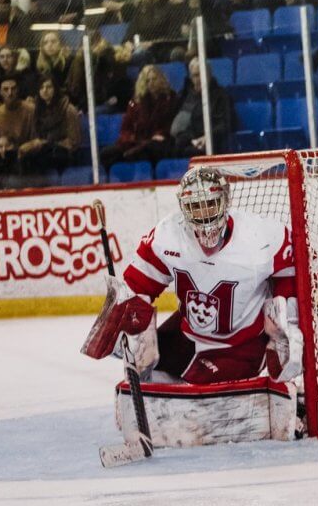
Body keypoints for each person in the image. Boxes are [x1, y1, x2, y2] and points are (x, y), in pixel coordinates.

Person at [101, 166, 300, 385]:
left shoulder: (261, 236)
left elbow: (293, 272)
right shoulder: (167, 235)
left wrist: (285, 324)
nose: (204, 216)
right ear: (183, 208)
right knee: (145, 378)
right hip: (188, 335)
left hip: (241, 345)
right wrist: (126, 323)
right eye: (195, 207)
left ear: (225, 200)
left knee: (191, 393)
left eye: (210, 204)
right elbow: (138, 284)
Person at [101, 64, 178, 168]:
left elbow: (170, 123)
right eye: (147, 81)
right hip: (136, 141)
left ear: (161, 79)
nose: (151, 83)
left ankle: (132, 157)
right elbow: (126, 127)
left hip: (157, 142)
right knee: (106, 153)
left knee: (150, 147)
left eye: (154, 79)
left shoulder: (170, 99)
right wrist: (129, 138)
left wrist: (162, 134)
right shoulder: (136, 102)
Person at [170, 58, 236, 156]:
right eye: (194, 76)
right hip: (186, 140)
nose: (198, 79)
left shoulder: (221, 96)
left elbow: (226, 123)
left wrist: (208, 137)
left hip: (210, 141)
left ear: (209, 74)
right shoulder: (184, 96)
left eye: (200, 74)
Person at [18, 77, 82, 176]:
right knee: (21, 155)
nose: (45, 90)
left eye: (49, 87)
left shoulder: (68, 110)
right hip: (43, 150)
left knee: (35, 158)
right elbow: (35, 137)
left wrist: (48, 143)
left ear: (56, 89)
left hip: (63, 152)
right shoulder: (37, 110)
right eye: (42, 88)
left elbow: (74, 141)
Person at [123, 0, 191, 65]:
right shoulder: (141, 9)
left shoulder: (172, 5)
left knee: (176, 53)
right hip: (144, 49)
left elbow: (174, 34)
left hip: (165, 49)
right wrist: (128, 43)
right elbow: (130, 33)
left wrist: (152, 43)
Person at [0, 75, 35, 174]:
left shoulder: (31, 109)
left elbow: (38, 138)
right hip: (5, 161)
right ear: (0, 92)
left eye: (13, 89)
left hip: (29, 159)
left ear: (18, 90)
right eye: (6, 89)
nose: (10, 93)